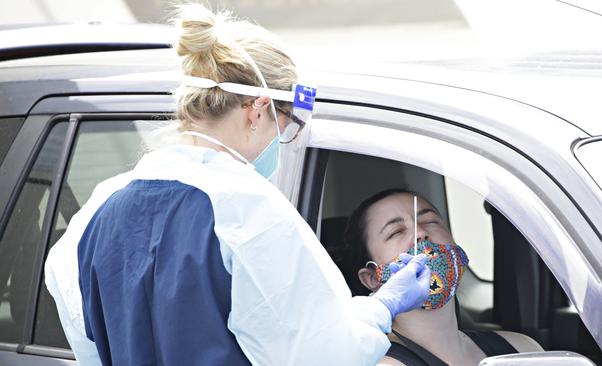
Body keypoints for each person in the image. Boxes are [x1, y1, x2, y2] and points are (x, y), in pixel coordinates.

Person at [43, 5, 432, 366]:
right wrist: (383, 306)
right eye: (287, 125)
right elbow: (317, 351)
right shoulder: (248, 211)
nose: (283, 140)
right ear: (257, 110)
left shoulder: (95, 212)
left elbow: (87, 344)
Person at [344, 189, 544, 366]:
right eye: (396, 231)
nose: (420, 232)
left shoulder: (522, 349)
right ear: (372, 278)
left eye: (430, 221)